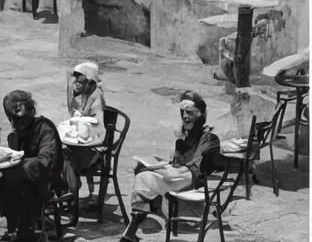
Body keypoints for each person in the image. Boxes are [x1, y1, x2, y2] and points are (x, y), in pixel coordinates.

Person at [121, 92, 220, 239]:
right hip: (178, 176)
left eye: (190, 113)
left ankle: (155, 202)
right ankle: (131, 232)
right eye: (183, 113)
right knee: (142, 175)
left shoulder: (210, 139)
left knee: (150, 174)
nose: (185, 116)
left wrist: (162, 169)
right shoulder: (182, 138)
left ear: (200, 115)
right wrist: (159, 164)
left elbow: (195, 169)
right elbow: (176, 163)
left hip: (192, 179)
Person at [0, 88, 75, 242]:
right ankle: (18, 225)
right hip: (21, 181)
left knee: (21, 171)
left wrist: (20, 165)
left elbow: (46, 161)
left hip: (47, 181)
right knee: (3, 176)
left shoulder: (45, 128)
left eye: (21, 118)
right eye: (13, 119)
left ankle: (26, 228)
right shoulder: (15, 134)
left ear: (32, 110)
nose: (18, 123)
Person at [63, 61, 109, 127]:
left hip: (96, 127)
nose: (77, 85)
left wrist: (77, 108)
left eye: (81, 83)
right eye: (76, 82)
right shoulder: (87, 93)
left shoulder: (95, 94)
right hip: (89, 122)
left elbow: (85, 113)